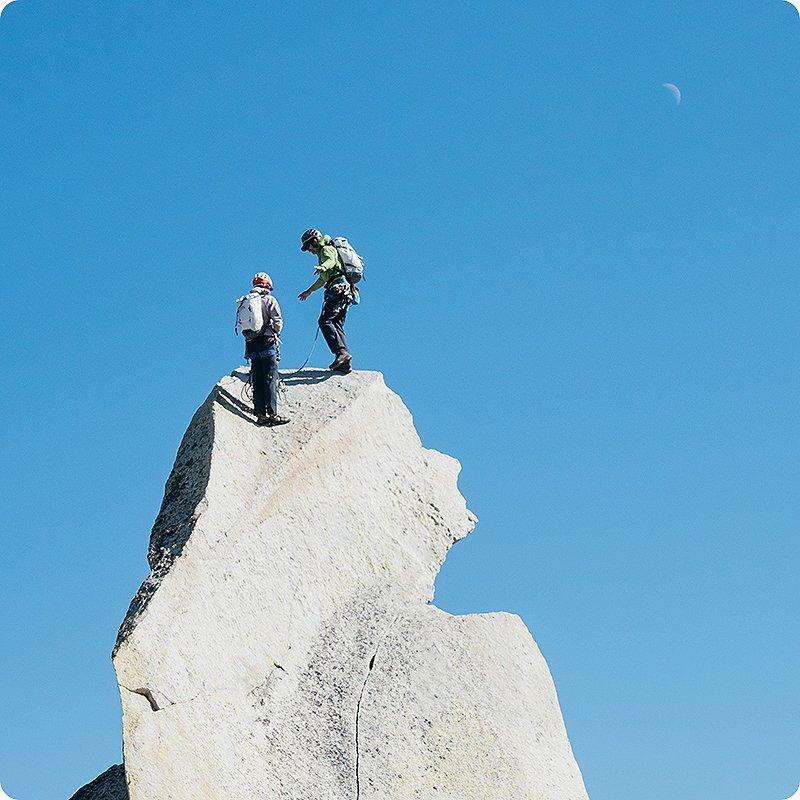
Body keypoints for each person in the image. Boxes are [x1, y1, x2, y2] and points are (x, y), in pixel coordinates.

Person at [297, 228, 358, 373]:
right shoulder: (324, 252)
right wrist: (309, 291)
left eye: (308, 246)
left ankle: (341, 353)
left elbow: (330, 261)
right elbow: (322, 279)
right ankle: (344, 360)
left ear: (314, 241)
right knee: (337, 324)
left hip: (337, 289)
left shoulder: (326, 249)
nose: (309, 250)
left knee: (324, 321)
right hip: (344, 291)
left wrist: (323, 266)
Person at [244, 273, 289, 426]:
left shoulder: (247, 300)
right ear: (268, 285)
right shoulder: (269, 299)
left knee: (257, 378)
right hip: (267, 342)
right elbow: (277, 321)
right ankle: (272, 413)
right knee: (270, 378)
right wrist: (276, 332)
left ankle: (260, 413)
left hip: (252, 344)